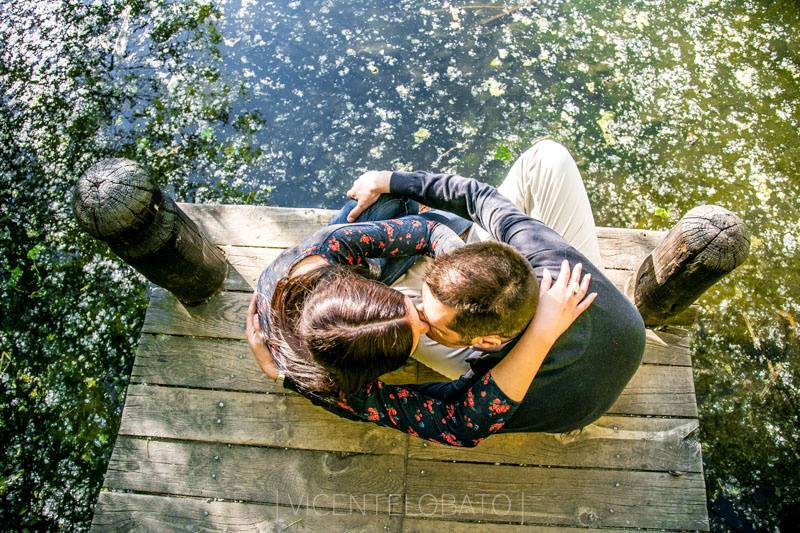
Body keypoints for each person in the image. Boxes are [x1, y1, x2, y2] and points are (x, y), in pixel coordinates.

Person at [342, 139, 647, 433]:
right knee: (548, 158)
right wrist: (389, 179)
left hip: (562, 386)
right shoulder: (545, 252)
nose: (419, 315)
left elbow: (387, 406)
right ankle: (436, 239)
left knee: (383, 309)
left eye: (432, 324)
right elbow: (478, 196)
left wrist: (303, 376)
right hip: (616, 327)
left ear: (484, 343)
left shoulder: (487, 392)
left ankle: (395, 265)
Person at [247, 202, 594, 447]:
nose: (427, 323)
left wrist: (461, 276)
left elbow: (426, 230)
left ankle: (402, 208)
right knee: (408, 217)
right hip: (301, 333)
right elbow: (462, 425)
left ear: (364, 289)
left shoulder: (329, 248)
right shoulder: (338, 389)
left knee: (392, 204)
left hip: (331, 283)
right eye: (419, 337)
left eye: (411, 307)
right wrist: (278, 374)